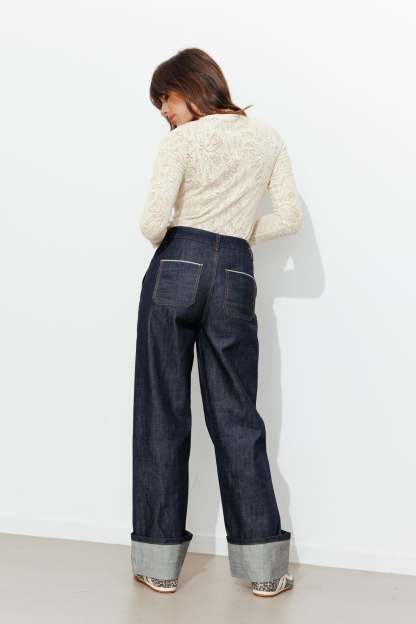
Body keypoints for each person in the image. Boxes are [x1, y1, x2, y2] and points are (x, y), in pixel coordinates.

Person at [131, 47, 302, 598]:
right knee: (237, 416)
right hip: (235, 268)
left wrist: (184, 238)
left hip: (176, 265)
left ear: (191, 86)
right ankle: (265, 570)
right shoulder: (267, 137)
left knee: (162, 411)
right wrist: (240, 233)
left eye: (165, 98)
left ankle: (159, 563)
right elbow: (289, 217)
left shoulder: (182, 141)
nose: (163, 110)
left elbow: (152, 222)